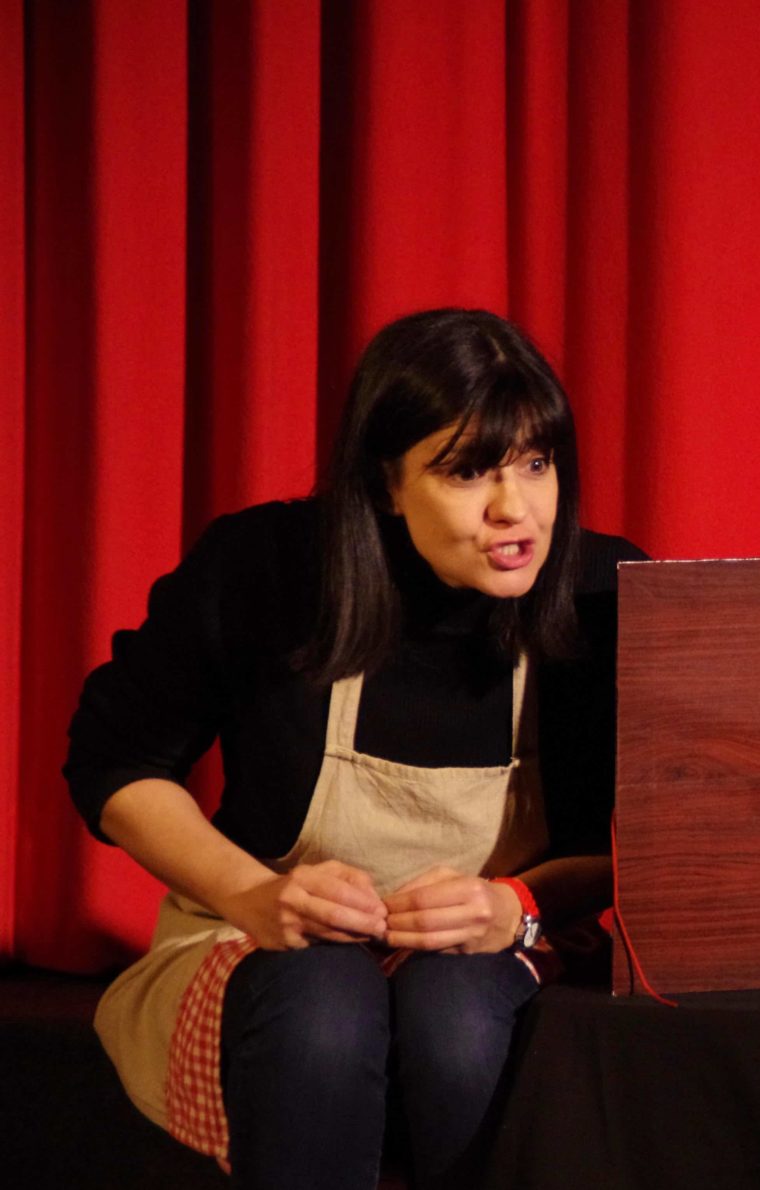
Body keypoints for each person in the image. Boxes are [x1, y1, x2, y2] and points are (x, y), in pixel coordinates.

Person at [64, 308, 647, 1189]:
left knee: (451, 1007)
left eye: (536, 462)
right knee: (322, 1003)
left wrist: (517, 906)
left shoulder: (605, 593)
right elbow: (115, 762)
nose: (515, 509)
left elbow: (667, 839)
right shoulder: (265, 569)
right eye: (466, 472)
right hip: (257, 943)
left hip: (509, 948)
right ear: (383, 483)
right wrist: (255, 894)